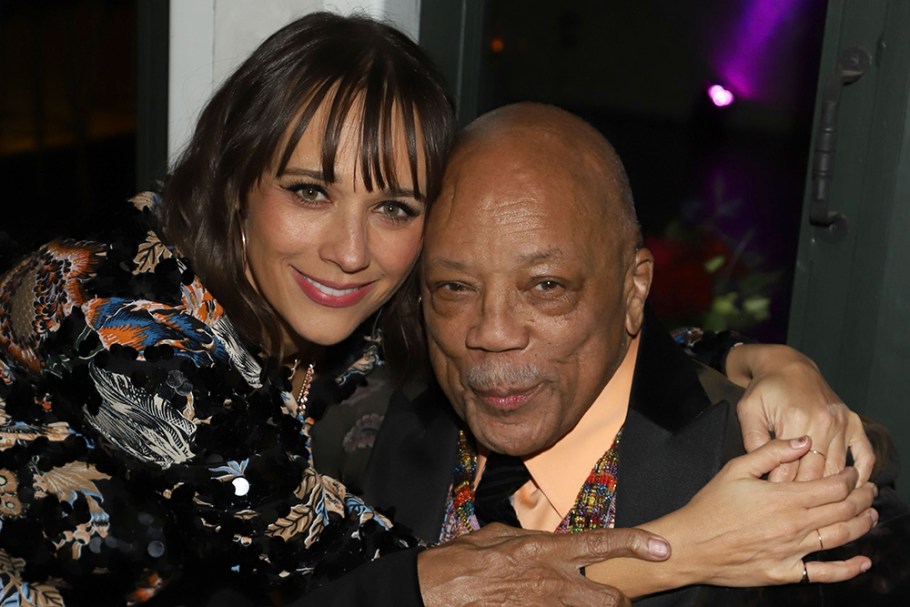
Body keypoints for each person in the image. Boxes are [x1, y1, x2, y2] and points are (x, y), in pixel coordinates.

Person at [0, 11, 879, 607]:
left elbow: (593, 316)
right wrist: (685, 548)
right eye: (310, 191)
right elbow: (396, 580)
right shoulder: (115, 325)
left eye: (395, 207)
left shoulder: (337, 309)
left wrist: (769, 362)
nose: (351, 251)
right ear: (237, 182)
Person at [360, 101, 908, 605]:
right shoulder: (372, 434)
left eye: (547, 286)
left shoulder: (772, 476)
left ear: (634, 289)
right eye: (454, 288)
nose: (493, 332)